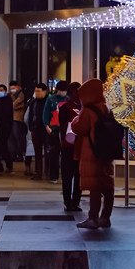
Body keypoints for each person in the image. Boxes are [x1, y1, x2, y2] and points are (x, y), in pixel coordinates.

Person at [71, 78, 114, 229]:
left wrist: (76, 118)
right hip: (106, 152)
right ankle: (105, 218)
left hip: (92, 152)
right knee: (107, 185)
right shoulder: (105, 107)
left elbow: (80, 129)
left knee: (95, 186)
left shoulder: (88, 111)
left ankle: (93, 218)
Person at [59, 81, 82, 212]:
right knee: (67, 176)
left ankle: (76, 202)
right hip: (68, 145)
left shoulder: (84, 108)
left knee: (78, 175)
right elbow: (62, 126)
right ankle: (68, 202)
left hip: (79, 146)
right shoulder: (65, 107)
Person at [43, 80, 69, 184]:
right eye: (61, 90)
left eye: (64, 90)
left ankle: (65, 174)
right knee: (54, 153)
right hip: (54, 128)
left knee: (65, 154)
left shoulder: (68, 100)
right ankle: (53, 175)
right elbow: (46, 114)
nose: (63, 92)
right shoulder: (51, 99)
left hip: (65, 129)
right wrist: (47, 126)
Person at [26, 83, 48, 179]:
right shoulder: (33, 102)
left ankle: (48, 172)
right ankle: (38, 172)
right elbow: (30, 115)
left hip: (46, 130)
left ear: (45, 91)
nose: (37, 93)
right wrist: (31, 127)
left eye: (39, 91)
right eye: (35, 91)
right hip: (36, 129)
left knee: (48, 152)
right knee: (37, 153)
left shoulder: (49, 101)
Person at [0, 83, 14, 174]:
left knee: (0, 146)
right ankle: (3, 165)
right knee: (1, 147)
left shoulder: (7, 100)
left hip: (5, 127)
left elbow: (4, 113)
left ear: (5, 91)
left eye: (1, 90)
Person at [8, 80, 28, 170]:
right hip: (11, 118)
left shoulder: (21, 94)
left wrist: (12, 103)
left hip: (18, 119)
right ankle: (13, 155)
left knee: (18, 137)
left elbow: (14, 105)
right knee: (11, 137)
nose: (12, 89)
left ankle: (19, 155)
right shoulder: (10, 95)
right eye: (11, 87)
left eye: (14, 87)